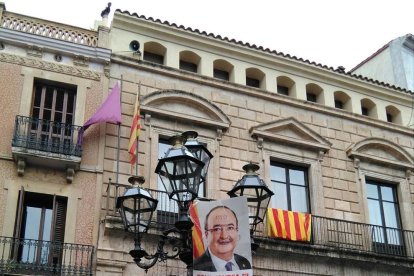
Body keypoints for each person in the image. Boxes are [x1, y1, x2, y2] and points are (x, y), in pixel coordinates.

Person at [193, 205, 252, 272]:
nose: (224, 236)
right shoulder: (196, 267)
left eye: (230, 228)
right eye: (217, 229)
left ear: (237, 232)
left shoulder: (245, 263)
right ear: (206, 235)